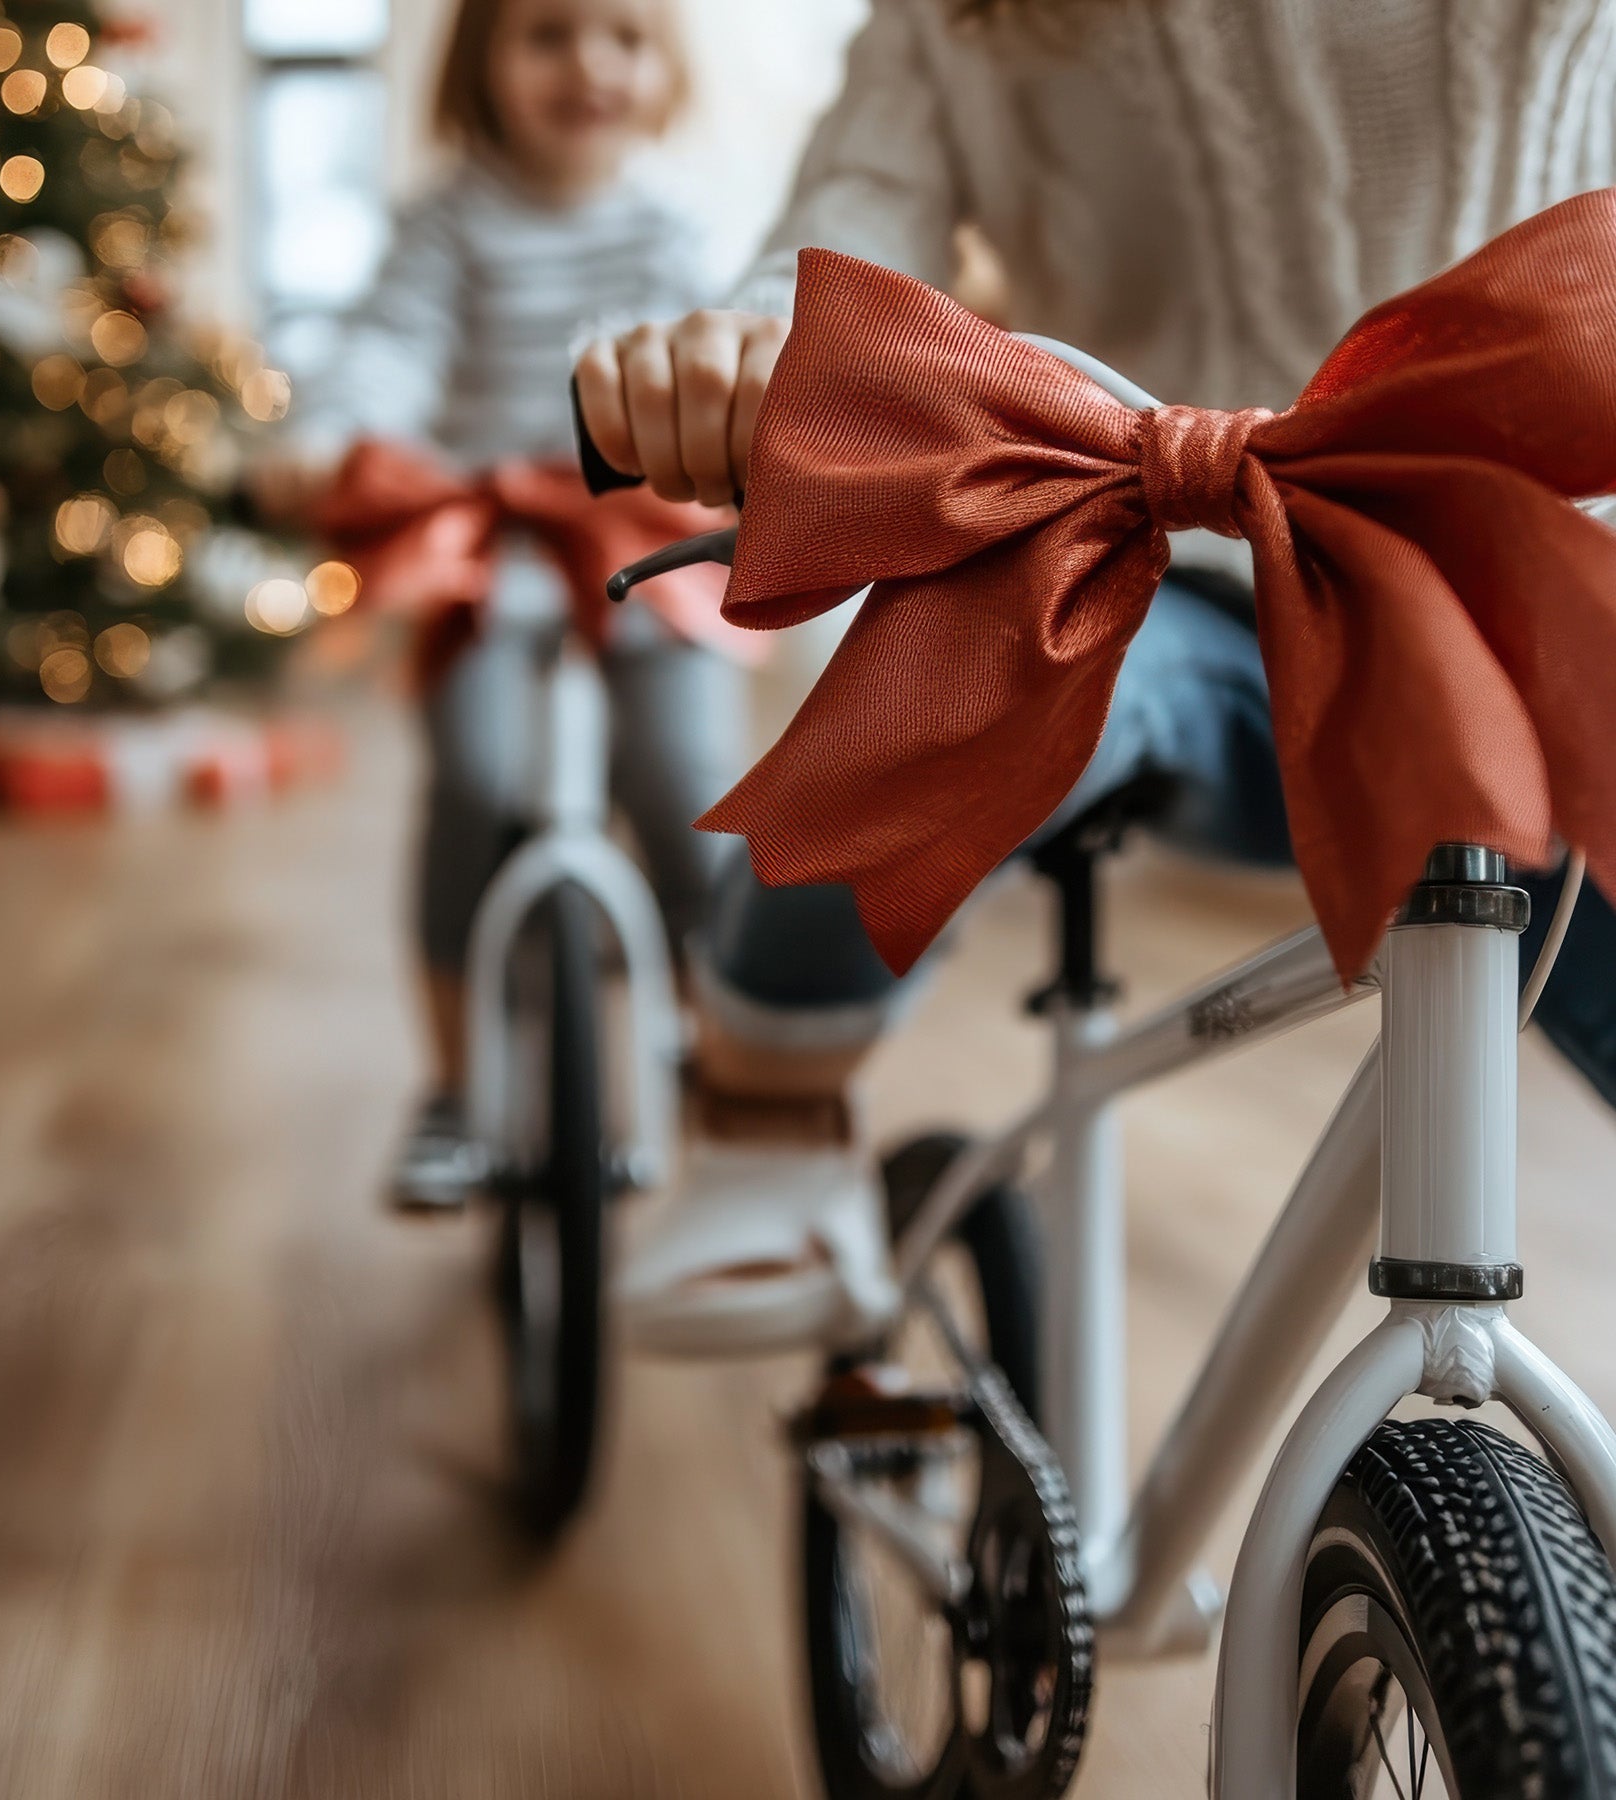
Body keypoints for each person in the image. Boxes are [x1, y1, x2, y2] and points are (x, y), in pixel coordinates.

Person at [574, 0, 1616, 1355]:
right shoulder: (955, 24)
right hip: (1161, 567)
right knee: (935, 695)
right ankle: (770, 1117)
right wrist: (744, 344)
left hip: (1529, 581)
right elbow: (849, 217)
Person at [259, 0, 747, 1208]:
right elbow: (386, 349)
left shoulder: (669, 232)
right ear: (480, 58)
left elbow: (724, 363)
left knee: (696, 793)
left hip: (643, 546)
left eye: (626, 37)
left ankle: (716, 1050)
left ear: (664, 67)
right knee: (472, 784)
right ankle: (456, 1084)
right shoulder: (446, 224)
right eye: (548, 34)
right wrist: (330, 435)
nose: (591, 64)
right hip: (489, 552)